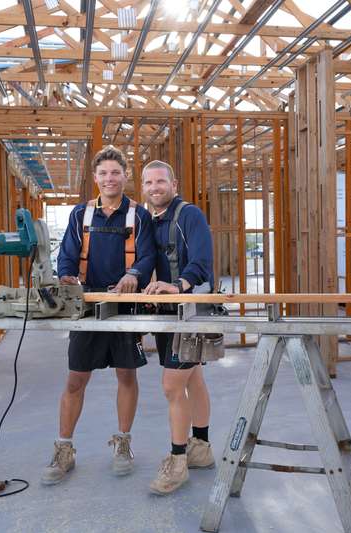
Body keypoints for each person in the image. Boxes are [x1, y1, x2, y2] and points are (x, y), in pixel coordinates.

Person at [42, 145, 155, 485]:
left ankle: (122, 443)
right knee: (76, 378)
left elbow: (147, 255)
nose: (110, 178)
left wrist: (134, 273)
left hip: (125, 304)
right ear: (96, 178)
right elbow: (67, 254)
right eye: (104, 173)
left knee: (126, 374)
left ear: (125, 177)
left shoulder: (139, 215)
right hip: (88, 307)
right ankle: (64, 448)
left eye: (115, 173)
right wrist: (66, 275)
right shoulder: (82, 215)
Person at [141, 160, 215, 495]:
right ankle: (201, 446)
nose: (155, 188)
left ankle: (178, 460)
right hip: (168, 313)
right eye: (148, 183)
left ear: (174, 182)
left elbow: (202, 261)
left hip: (192, 310)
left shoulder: (190, 215)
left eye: (160, 181)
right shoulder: (149, 220)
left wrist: (178, 285)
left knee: (173, 385)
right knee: (193, 377)